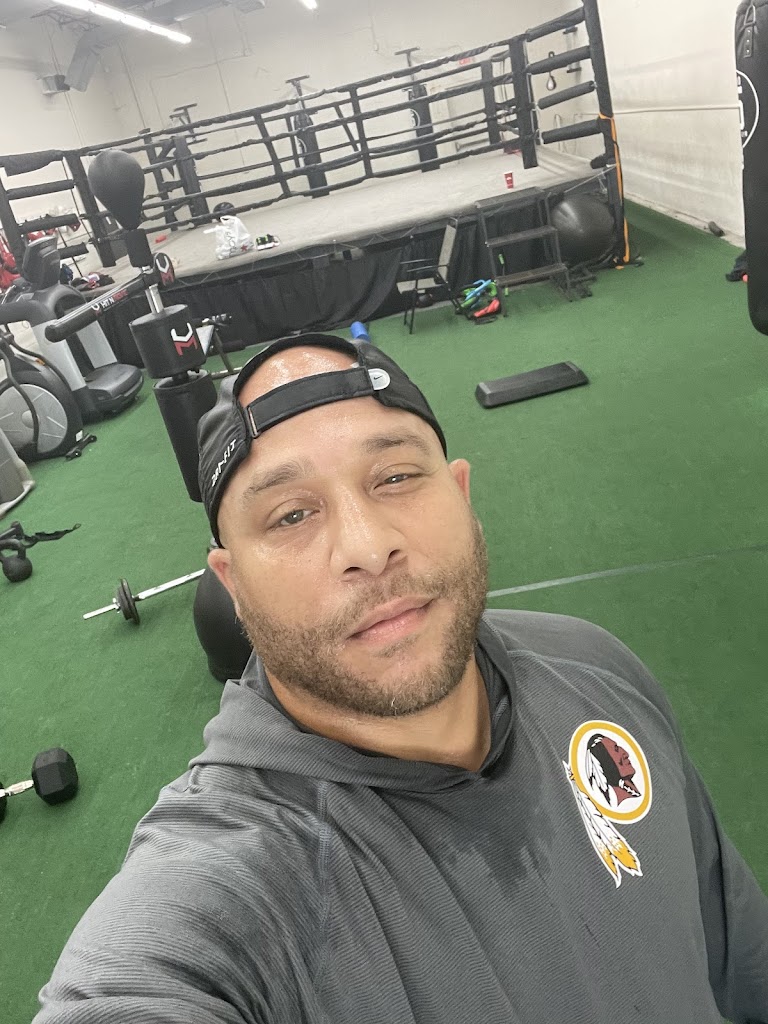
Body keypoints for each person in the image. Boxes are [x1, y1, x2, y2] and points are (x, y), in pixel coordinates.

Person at [35, 334, 768, 1023]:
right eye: (290, 515)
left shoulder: (595, 667)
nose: (368, 545)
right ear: (233, 585)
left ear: (461, 494)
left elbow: (740, 957)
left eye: (395, 477)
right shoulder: (225, 890)